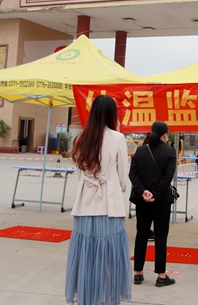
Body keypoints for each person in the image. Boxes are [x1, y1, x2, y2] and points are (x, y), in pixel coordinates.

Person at [65, 95, 132, 305]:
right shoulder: (118, 138)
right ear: (112, 114)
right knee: (109, 255)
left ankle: (87, 298)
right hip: (109, 205)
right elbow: (123, 178)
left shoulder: (80, 139)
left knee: (86, 255)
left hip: (85, 204)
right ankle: (106, 297)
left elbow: (80, 176)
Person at [129, 121, 177, 287]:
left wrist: (143, 191)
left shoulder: (141, 150)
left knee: (141, 235)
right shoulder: (170, 152)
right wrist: (155, 194)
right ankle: (161, 275)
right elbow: (168, 177)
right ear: (165, 135)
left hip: (142, 200)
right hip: (161, 201)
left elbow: (133, 174)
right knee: (161, 237)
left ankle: (138, 273)